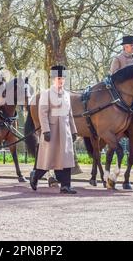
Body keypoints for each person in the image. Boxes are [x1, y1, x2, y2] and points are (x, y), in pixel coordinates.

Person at [30, 65, 78, 194]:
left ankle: (65, 186)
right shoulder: (46, 94)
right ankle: (36, 175)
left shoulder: (67, 94)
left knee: (66, 159)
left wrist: (74, 131)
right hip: (52, 130)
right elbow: (42, 113)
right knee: (49, 159)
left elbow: (70, 114)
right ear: (53, 79)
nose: (61, 81)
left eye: (62, 78)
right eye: (58, 78)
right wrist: (45, 130)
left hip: (65, 131)